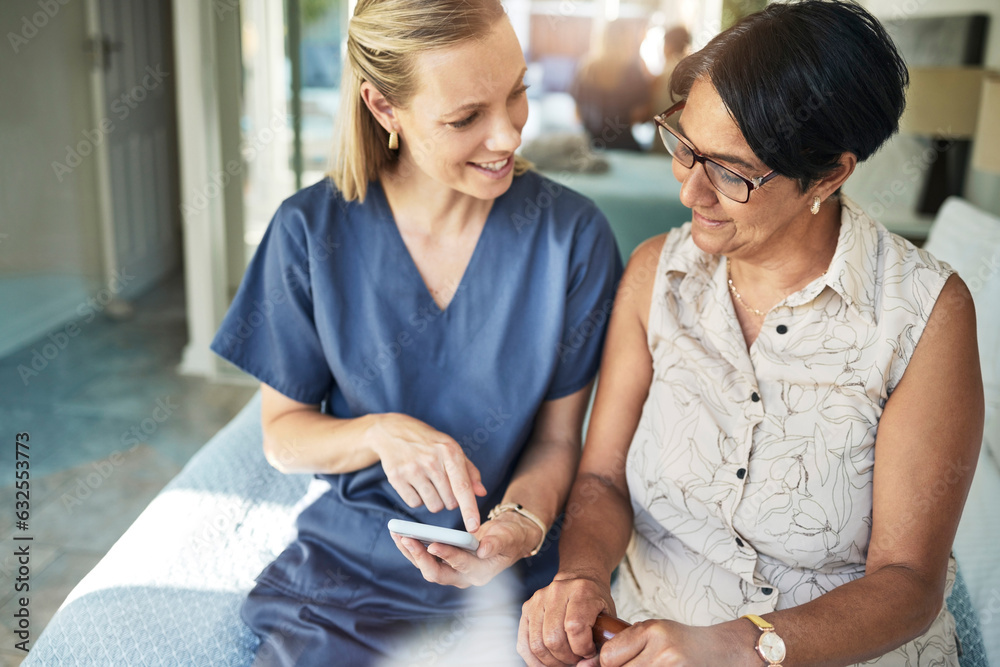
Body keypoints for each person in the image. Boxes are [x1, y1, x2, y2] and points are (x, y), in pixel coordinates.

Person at [518, 1, 983, 666]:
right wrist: (583, 576)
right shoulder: (658, 275)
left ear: (829, 174)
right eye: (686, 149)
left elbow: (909, 583)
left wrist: (739, 644)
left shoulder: (924, 313)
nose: (691, 193)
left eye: (731, 173)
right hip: (640, 647)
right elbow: (603, 477)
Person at [210, 0, 622, 664]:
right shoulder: (310, 233)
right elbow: (284, 437)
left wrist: (519, 526)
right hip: (348, 577)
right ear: (383, 109)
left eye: (517, 93)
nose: (509, 137)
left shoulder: (570, 236)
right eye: (466, 118)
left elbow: (554, 441)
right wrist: (378, 431)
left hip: (513, 583)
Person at [569, 19, 651, 152]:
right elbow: (640, 114)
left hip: (589, 146)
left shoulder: (586, 68)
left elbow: (577, 115)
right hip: (624, 146)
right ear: (626, 40)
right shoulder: (633, 70)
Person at [648, 26, 690, 154]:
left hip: (661, 149)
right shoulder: (696, 76)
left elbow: (649, 114)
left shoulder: (659, 78)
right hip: (687, 153)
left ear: (669, 46)